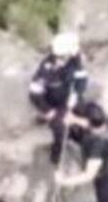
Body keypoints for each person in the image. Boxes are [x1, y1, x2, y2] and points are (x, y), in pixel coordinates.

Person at [29, 31, 90, 164]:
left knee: (86, 114)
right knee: (60, 129)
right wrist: (48, 111)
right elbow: (34, 94)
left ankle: (82, 141)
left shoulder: (76, 59)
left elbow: (81, 79)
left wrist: (76, 94)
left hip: (69, 97)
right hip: (53, 103)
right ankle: (56, 158)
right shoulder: (46, 69)